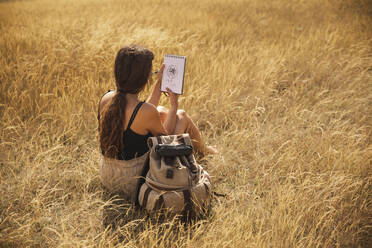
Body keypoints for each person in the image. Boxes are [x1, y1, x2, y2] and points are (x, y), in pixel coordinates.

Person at [97, 45, 216, 201]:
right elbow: (165, 143)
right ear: (145, 78)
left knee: (159, 110)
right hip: (134, 184)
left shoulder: (107, 98)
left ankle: (204, 149)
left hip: (109, 176)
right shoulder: (146, 112)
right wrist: (174, 106)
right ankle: (205, 151)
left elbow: (141, 112)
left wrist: (159, 85)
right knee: (181, 116)